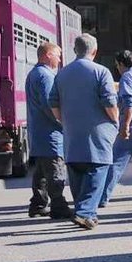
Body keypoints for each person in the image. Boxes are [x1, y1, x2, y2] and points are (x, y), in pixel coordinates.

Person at [49, 33, 118, 230]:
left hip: (71, 131)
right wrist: (115, 119)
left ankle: (86, 213)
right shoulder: (101, 72)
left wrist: (63, 119)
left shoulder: (62, 73)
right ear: (94, 51)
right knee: (98, 169)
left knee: (77, 170)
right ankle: (85, 212)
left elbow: (52, 101)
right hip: (97, 130)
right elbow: (109, 102)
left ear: (75, 50)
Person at [24, 41, 72, 220]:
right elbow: (49, 105)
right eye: (57, 55)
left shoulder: (34, 73)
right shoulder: (46, 76)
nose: (60, 59)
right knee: (55, 171)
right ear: (47, 55)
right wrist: (63, 123)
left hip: (39, 132)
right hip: (50, 133)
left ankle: (38, 204)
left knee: (42, 172)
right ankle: (59, 206)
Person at [101, 50, 132, 206]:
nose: (117, 69)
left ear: (121, 64)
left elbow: (129, 103)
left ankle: (103, 196)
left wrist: (125, 125)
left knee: (117, 161)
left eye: (117, 65)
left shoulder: (127, 77)